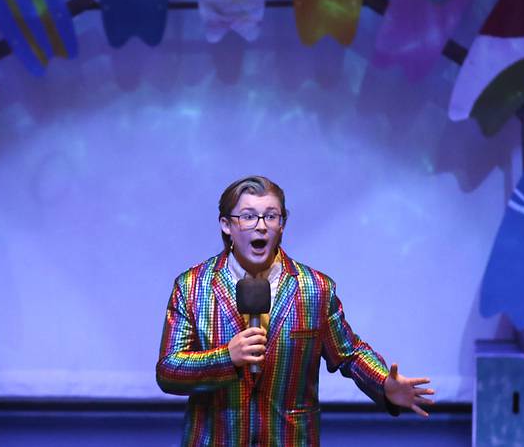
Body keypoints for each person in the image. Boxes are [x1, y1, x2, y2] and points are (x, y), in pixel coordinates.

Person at [156, 175, 434, 446]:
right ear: (227, 225)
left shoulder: (314, 289)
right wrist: (227, 358)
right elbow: (169, 371)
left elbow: (349, 354)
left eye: (271, 216)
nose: (261, 226)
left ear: (282, 224)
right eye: (249, 216)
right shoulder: (193, 287)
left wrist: (384, 384)